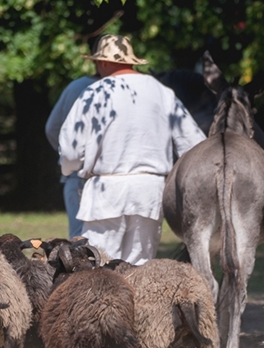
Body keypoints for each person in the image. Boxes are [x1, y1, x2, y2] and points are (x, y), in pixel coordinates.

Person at [58, 34, 206, 265]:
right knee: (138, 267)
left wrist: (69, 170)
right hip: (149, 192)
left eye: (97, 62)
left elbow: (69, 152)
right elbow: (194, 144)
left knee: (98, 266)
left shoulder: (94, 93)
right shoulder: (161, 92)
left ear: (103, 62)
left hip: (106, 193)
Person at [45, 39, 101, 238]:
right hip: (113, 176)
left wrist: (68, 155)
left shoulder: (76, 87)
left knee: (79, 239)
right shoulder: (125, 90)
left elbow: (52, 128)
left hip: (76, 175)